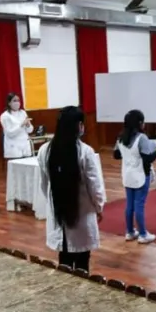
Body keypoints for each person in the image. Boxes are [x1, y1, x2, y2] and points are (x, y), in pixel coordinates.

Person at [37, 106, 106, 271]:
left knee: (64, 257)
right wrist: (99, 207)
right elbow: (94, 186)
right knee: (82, 260)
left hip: (59, 210)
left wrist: (54, 201)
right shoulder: (85, 152)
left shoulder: (45, 150)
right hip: (82, 213)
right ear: (79, 125)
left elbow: (44, 184)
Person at [114, 109, 156, 244]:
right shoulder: (141, 138)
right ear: (140, 123)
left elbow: (116, 155)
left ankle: (130, 232)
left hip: (127, 175)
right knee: (139, 205)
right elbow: (147, 158)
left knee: (130, 205)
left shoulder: (120, 137)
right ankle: (143, 234)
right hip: (140, 175)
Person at [0, 92, 33, 159]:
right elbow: (10, 133)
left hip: (25, 145)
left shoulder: (23, 112)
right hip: (14, 148)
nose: (17, 102)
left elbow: (30, 131)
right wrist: (21, 125)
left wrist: (28, 125)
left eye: (18, 100)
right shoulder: (5, 116)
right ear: (9, 103)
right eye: (14, 101)